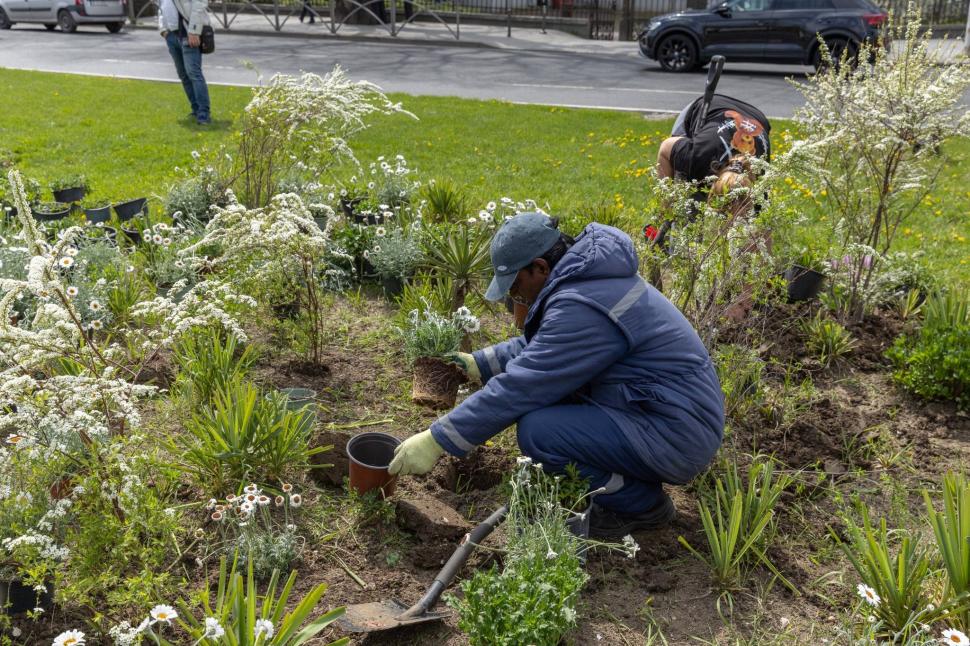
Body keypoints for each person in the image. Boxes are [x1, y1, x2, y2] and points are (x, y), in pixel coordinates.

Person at [388, 213, 725, 539]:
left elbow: (524, 385)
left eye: (516, 287)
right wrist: (479, 363)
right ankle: (630, 484)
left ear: (540, 267)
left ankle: (640, 504)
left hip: (676, 431)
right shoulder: (589, 280)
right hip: (663, 411)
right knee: (553, 410)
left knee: (541, 432)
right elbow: (549, 346)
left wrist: (438, 439)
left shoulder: (584, 305)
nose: (515, 298)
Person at [158, 0, 212, 125]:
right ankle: (196, 110)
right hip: (171, 35)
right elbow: (161, 7)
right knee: (183, 75)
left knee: (194, 74)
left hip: (188, 33)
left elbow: (199, 5)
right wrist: (163, 30)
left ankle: (203, 113)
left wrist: (194, 30)